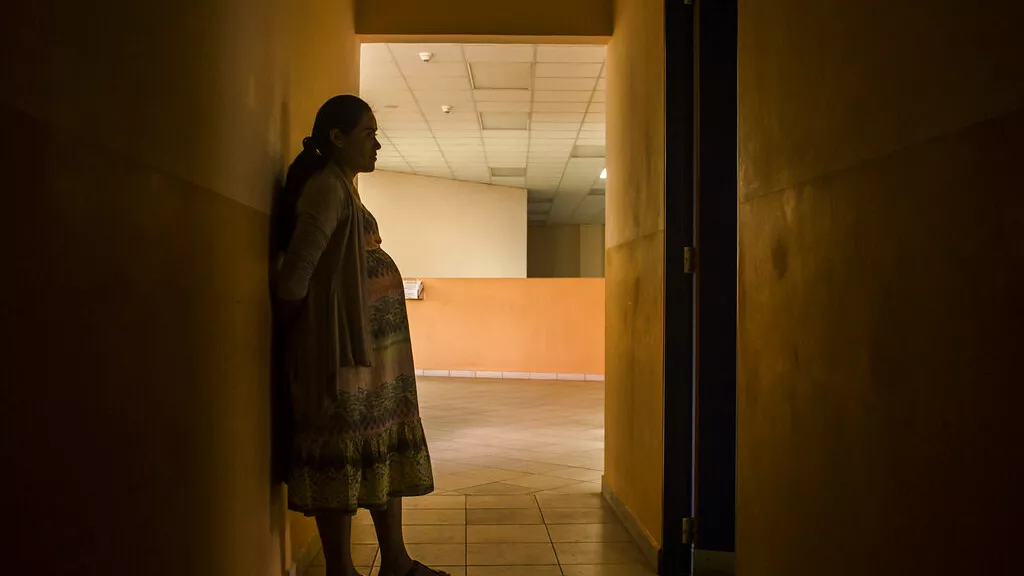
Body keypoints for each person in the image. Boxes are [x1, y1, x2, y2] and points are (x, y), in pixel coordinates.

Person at [273, 95, 445, 576]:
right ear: (337, 137)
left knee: (379, 445)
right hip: (341, 355)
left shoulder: (344, 188)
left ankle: (396, 561)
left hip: (371, 361)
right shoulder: (327, 189)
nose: (377, 143)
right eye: (368, 133)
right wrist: (302, 339)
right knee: (342, 449)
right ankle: (342, 571)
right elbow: (296, 275)